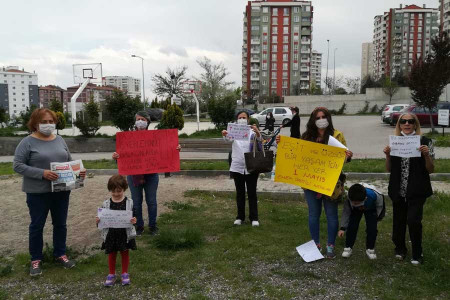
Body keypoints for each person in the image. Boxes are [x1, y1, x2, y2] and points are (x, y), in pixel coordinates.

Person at [13, 108, 86, 276]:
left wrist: (79, 170)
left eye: (51, 121)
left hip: (61, 190)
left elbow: (68, 160)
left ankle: (60, 254)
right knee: (37, 225)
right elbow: (17, 165)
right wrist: (42, 173)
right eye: (44, 122)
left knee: (60, 224)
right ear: (35, 123)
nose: (48, 124)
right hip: (37, 192)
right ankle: (36, 259)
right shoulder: (27, 142)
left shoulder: (60, 139)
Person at [276, 107, 353, 258]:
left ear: (328, 118)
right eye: (317, 118)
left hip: (331, 182)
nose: (321, 120)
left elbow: (343, 158)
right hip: (310, 182)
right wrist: (282, 143)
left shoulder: (337, 135)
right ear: (313, 120)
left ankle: (330, 245)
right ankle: (315, 244)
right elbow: (296, 154)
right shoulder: (306, 136)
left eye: (323, 116)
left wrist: (348, 155)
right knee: (313, 214)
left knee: (331, 215)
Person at [112, 111, 181, 236]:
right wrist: (116, 157)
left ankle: (153, 226)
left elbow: (165, 149)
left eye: (143, 119)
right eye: (138, 119)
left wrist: (174, 149)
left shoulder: (156, 137)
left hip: (151, 175)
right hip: (134, 176)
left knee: (152, 202)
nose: (140, 121)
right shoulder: (127, 139)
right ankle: (139, 227)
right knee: (136, 203)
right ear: (135, 122)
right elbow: (123, 158)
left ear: (147, 122)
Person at [383, 113, 434, 265]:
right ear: (399, 125)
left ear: (415, 124)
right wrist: (387, 156)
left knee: (413, 220)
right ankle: (400, 248)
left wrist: (426, 155)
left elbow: (431, 169)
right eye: (403, 122)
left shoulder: (425, 142)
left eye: (410, 121)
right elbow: (389, 169)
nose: (407, 124)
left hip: (417, 189)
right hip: (398, 188)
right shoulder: (395, 143)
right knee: (398, 221)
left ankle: (417, 253)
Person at [222, 110, 262, 227]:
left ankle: (254, 218)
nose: (242, 119)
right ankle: (240, 217)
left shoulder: (252, 131)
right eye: (240, 117)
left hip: (251, 166)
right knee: (240, 193)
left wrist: (258, 132)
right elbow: (228, 139)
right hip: (237, 166)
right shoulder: (234, 131)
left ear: (248, 119)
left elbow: (260, 141)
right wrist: (224, 133)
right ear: (237, 120)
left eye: (244, 117)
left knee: (252, 193)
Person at [96, 175, 137, 286]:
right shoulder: (105, 204)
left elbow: (135, 215)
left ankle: (125, 273)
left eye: (119, 191)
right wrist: (98, 220)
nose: (116, 194)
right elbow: (101, 220)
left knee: (125, 253)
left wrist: (134, 220)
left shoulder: (130, 202)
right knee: (112, 254)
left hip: (125, 233)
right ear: (110, 190)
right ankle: (111, 274)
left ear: (124, 189)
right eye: (113, 191)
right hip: (111, 234)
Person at [338, 183, 385, 260]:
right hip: (355, 210)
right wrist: (342, 227)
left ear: (365, 199)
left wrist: (377, 218)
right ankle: (348, 247)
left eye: (356, 203)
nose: (354, 204)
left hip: (371, 208)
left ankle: (370, 249)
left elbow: (380, 206)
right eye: (353, 202)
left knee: (372, 229)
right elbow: (346, 212)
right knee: (352, 226)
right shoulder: (349, 197)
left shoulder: (375, 196)